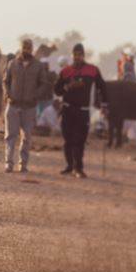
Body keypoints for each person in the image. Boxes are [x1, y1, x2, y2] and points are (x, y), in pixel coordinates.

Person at [54, 43, 107, 178]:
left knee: (80, 140)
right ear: (72, 55)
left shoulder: (92, 70)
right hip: (67, 110)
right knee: (68, 140)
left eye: (80, 55)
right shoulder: (65, 71)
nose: (77, 57)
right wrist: (67, 86)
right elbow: (57, 90)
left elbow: (102, 87)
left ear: (83, 55)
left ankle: (78, 168)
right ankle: (69, 166)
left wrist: (104, 105)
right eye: (75, 55)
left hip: (83, 111)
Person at [3, 39, 51, 173]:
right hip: (13, 105)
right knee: (10, 136)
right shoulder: (12, 64)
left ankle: (23, 164)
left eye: (29, 48)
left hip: (29, 107)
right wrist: (8, 94)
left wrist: (35, 95)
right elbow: (6, 81)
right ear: (21, 48)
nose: (27, 50)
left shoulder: (38, 66)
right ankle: (9, 163)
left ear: (32, 49)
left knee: (27, 137)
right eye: (25, 47)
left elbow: (43, 83)